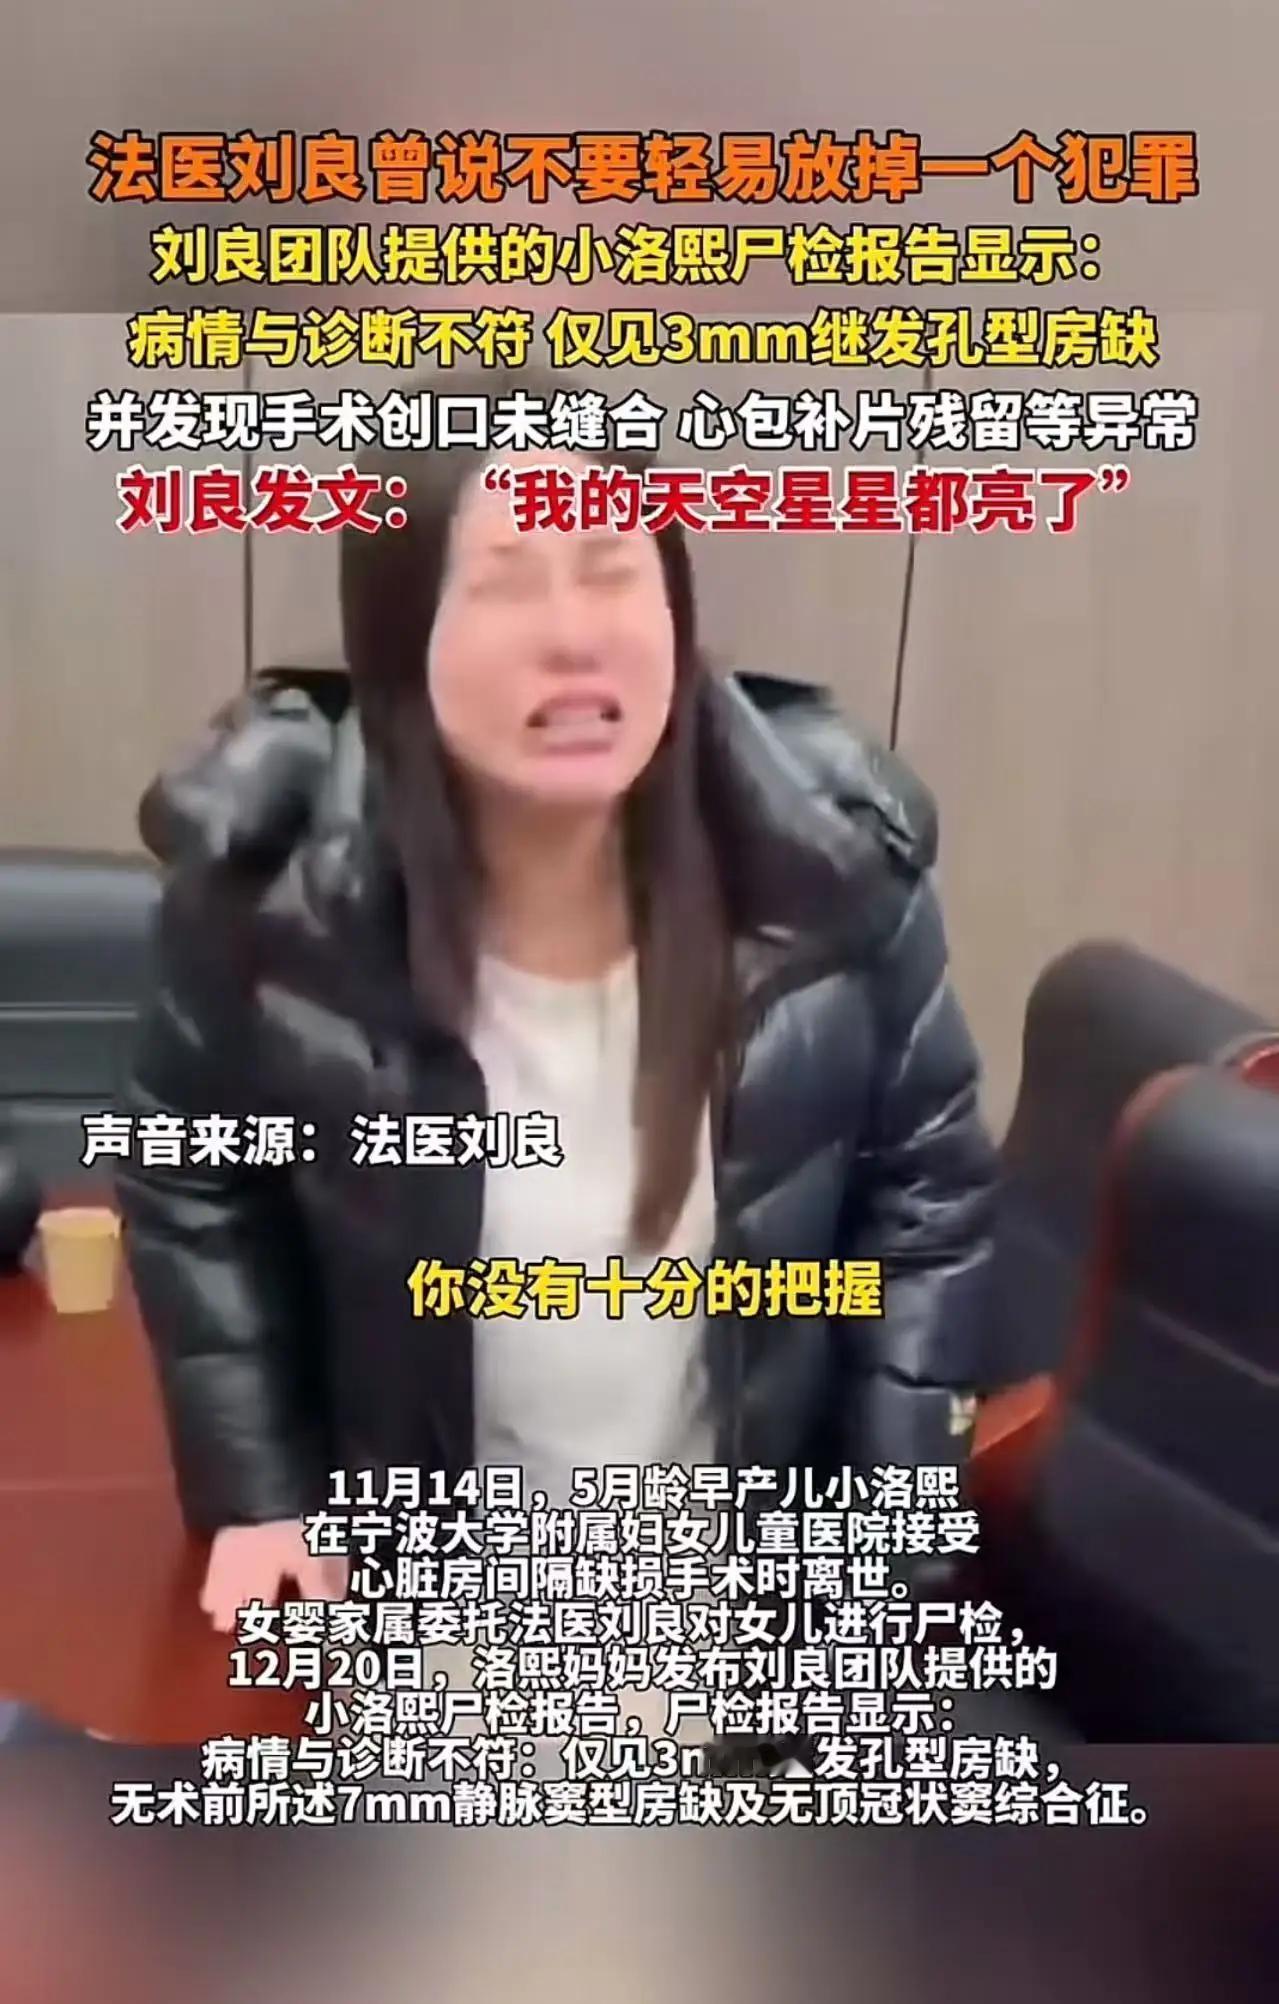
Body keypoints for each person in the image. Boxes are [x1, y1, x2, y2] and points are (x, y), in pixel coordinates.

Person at [116, 369, 999, 1662]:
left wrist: (884, 1536)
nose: (575, 634)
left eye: (610, 569)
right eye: (507, 582)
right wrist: (261, 1492)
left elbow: (929, 1197)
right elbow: (194, 1178)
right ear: (399, 641)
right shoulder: (272, 900)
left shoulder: (832, 878)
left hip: (741, 1621)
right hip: (424, 1613)